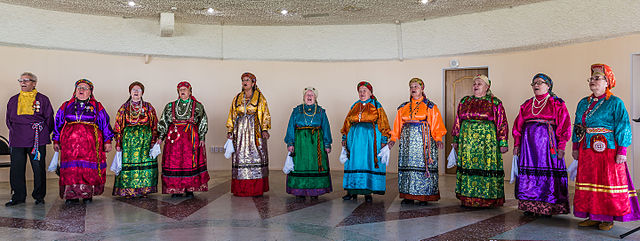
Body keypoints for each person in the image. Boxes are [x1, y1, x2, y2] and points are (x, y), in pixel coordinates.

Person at [572, 64, 640, 231]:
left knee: (607, 182)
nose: (592, 81)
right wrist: (575, 147)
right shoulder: (583, 102)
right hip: (587, 149)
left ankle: (607, 218)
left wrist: (622, 151)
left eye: (597, 78)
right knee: (589, 182)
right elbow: (578, 126)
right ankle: (592, 216)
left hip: (608, 150)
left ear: (607, 82)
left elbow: (623, 126)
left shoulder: (615, 102)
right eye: (591, 78)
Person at [512, 73, 571, 216]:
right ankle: (529, 206)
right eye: (534, 83)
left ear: (548, 86)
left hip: (548, 147)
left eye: (540, 82)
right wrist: (517, 144)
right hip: (528, 147)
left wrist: (561, 146)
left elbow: (564, 125)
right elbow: (518, 126)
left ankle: (547, 207)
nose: (536, 85)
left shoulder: (557, 103)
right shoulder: (526, 104)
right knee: (529, 175)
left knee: (548, 175)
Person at [52, 79, 114, 204]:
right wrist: (56, 140)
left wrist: (108, 141)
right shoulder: (66, 106)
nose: (81, 90)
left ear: (90, 92)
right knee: (71, 169)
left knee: (87, 169)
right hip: (69, 145)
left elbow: (105, 124)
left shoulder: (97, 106)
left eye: (85, 88)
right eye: (79, 87)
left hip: (90, 145)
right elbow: (57, 123)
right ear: (75, 91)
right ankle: (70, 195)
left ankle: (87, 194)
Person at [451, 74, 508, 208]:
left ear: (487, 87)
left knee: (486, 167)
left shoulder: (495, 102)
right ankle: (467, 198)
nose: (476, 86)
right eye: (474, 84)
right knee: (468, 167)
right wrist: (455, 139)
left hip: (487, 143)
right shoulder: (465, 101)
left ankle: (488, 200)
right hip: (467, 142)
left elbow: (502, 123)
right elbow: (458, 121)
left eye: (479, 84)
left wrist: (503, 142)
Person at [388, 78, 446, 205]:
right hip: (407, 144)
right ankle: (407, 195)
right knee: (407, 168)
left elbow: (436, 124)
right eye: (411, 87)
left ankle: (423, 196)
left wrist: (438, 139)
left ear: (422, 88)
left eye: (416, 86)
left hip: (424, 142)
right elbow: (397, 125)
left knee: (422, 168)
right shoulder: (403, 107)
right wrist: (393, 139)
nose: (413, 89)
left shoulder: (430, 106)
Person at [5, 72, 54, 206]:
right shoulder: (13, 100)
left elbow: (50, 120)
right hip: (17, 139)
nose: (23, 83)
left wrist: (41, 132)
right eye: (21, 80)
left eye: (26, 80)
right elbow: (8, 120)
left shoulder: (43, 99)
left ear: (34, 83)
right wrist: (16, 131)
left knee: (38, 168)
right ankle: (18, 196)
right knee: (16, 169)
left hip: (36, 139)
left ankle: (39, 196)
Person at [340, 81, 391, 203]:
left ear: (370, 92)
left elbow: (383, 123)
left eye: (365, 91)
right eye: (360, 91)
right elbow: (347, 122)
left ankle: (368, 192)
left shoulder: (376, 105)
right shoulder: (354, 105)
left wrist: (384, 140)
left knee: (368, 163)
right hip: (354, 140)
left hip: (370, 140)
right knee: (353, 162)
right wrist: (344, 138)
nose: (362, 93)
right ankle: (351, 191)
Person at [157, 81, 209, 197]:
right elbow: (163, 121)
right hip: (173, 140)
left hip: (190, 140)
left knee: (189, 162)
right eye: (180, 89)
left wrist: (202, 137)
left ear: (190, 91)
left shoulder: (198, 106)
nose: (182, 91)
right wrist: (160, 137)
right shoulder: (170, 106)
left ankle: (189, 188)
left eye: (185, 89)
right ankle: (175, 189)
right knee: (174, 162)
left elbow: (203, 121)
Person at [226, 72, 271, 197]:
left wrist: (265, 129)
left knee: (257, 155)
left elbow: (265, 114)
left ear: (253, 83)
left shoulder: (260, 98)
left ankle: (256, 189)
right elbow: (232, 114)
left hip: (254, 131)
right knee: (240, 156)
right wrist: (230, 130)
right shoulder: (237, 98)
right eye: (243, 80)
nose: (245, 82)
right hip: (240, 132)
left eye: (247, 80)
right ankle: (241, 188)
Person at [284, 87, 332, 199]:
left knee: (316, 165)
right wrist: (290, 143)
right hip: (300, 144)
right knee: (300, 165)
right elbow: (291, 127)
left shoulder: (320, 111)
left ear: (315, 97)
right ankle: (299, 191)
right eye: (307, 95)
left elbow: (326, 128)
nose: (309, 97)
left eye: (312, 95)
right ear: (303, 97)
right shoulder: (297, 110)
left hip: (316, 144)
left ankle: (315, 191)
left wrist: (327, 144)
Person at [113, 81, 159, 198]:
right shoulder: (124, 107)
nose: (136, 92)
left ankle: (144, 190)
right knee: (129, 166)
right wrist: (118, 143)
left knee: (145, 165)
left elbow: (155, 125)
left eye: (138, 90)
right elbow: (118, 126)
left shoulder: (148, 107)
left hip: (146, 142)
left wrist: (154, 141)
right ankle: (128, 190)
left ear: (142, 92)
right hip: (129, 144)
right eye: (134, 90)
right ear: (130, 92)